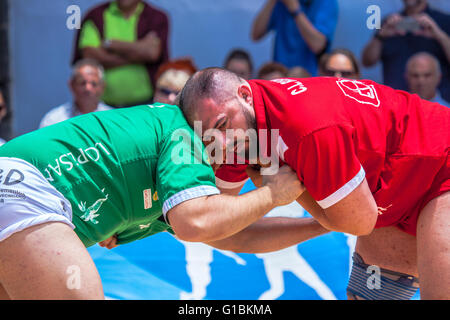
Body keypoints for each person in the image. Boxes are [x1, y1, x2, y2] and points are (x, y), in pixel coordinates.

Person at [0, 99, 321, 299]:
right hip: (21, 187)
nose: (243, 162)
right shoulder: (184, 136)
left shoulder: (181, 165)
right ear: (217, 123)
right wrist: (272, 194)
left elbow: (231, 233)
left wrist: (323, 224)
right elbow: (197, 221)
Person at [177, 67, 450, 299]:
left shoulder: (306, 126)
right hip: (395, 185)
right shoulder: (233, 131)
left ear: (246, 96)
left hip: (440, 164)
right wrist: (280, 195)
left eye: (223, 125)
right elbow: (219, 229)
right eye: (208, 135)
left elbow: (360, 223)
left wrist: (280, 187)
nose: (221, 143)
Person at [72, 0, 169, 107]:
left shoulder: (156, 16)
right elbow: (89, 56)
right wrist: (139, 53)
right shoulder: (95, 15)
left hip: (145, 104)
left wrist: (112, 44)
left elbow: (152, 53)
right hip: (103, 106)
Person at [362, 0, 450, 102]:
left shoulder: (444, 22)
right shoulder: (389, 22)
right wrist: (380, 37)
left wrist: (439, 35)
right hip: (395, 105)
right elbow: (367, 62)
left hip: (436, 105)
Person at [251, 0, 338, 76]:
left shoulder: (325, 2)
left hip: (309, 78)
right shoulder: (281, 3)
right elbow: (255, 35)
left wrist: (294, 9)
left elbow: (318, 44)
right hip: (281, 76)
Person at [39, 59, 112, 128]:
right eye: (82, 83)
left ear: (102, 87)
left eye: (94, 84)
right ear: (72, 85)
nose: (88, 88)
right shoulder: (54, 120)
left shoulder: (112, 119)